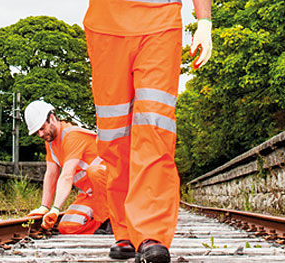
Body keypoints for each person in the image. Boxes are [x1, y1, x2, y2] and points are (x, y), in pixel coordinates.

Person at [83, 0, 212, 262]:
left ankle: (152, 234)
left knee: (154, 130)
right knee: (114, 137)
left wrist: (204, 21)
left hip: (160, 25)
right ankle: (125, 231)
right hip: (105, 28)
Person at [25, 100, 110, 234]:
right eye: (37, 132)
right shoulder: (51, 143)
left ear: (52, 118)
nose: (40, 135)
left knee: (95, 171)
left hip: (113, 191)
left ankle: (111, 222)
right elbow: (51, 175)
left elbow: (67, 175)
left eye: (42, 128)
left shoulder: (72, 136)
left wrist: (56, 208)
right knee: (67, 227)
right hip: (91, 195)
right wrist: (44, 207)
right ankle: (102, 228)